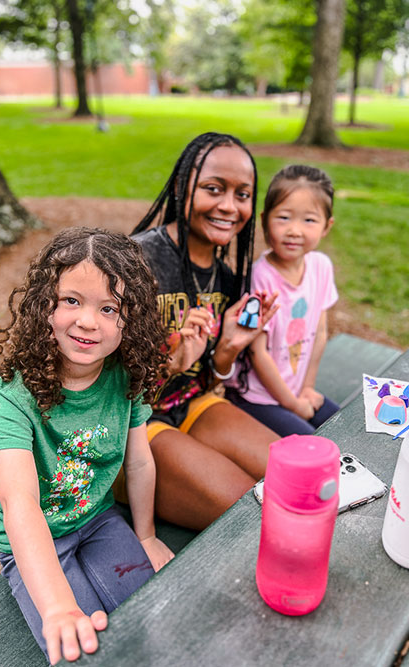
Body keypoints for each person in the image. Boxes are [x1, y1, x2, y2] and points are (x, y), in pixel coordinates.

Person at [0, 228, 174, 665]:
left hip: (99, 519)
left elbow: (140, 463)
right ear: (42, 305)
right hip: (35, 538)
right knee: (81, 647)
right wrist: (56, 606)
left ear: (133, 321)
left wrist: (145, 535)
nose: (88, 321)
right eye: (71, 300)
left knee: (152, 615)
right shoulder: (14, 396)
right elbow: (20, 505)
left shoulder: (125, 376)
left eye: (109, 308)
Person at [129, 132, 279, 531]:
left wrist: (228, 347)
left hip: (194, 404)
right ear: (182, 188)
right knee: (254, 515)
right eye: (214, 189)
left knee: (298, 479)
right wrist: (168, 360)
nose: (229, 206)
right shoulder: (134, 262)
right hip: (135, 423)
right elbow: (91, 380)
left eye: (243, 194)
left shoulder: (228, 280)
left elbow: (207, 379)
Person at [226, 165, 339, 437]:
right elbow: (257, 353)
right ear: (264, 220)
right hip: (256, 397)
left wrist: (307, 388)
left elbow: (320, 332)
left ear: (327, 226)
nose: (294, 231)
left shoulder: (321, 267)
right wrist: (293, 404)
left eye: (309, 220)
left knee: (344, 424)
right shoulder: (259, 278)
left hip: (297, 389)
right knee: (314, 443)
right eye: (284, 217)